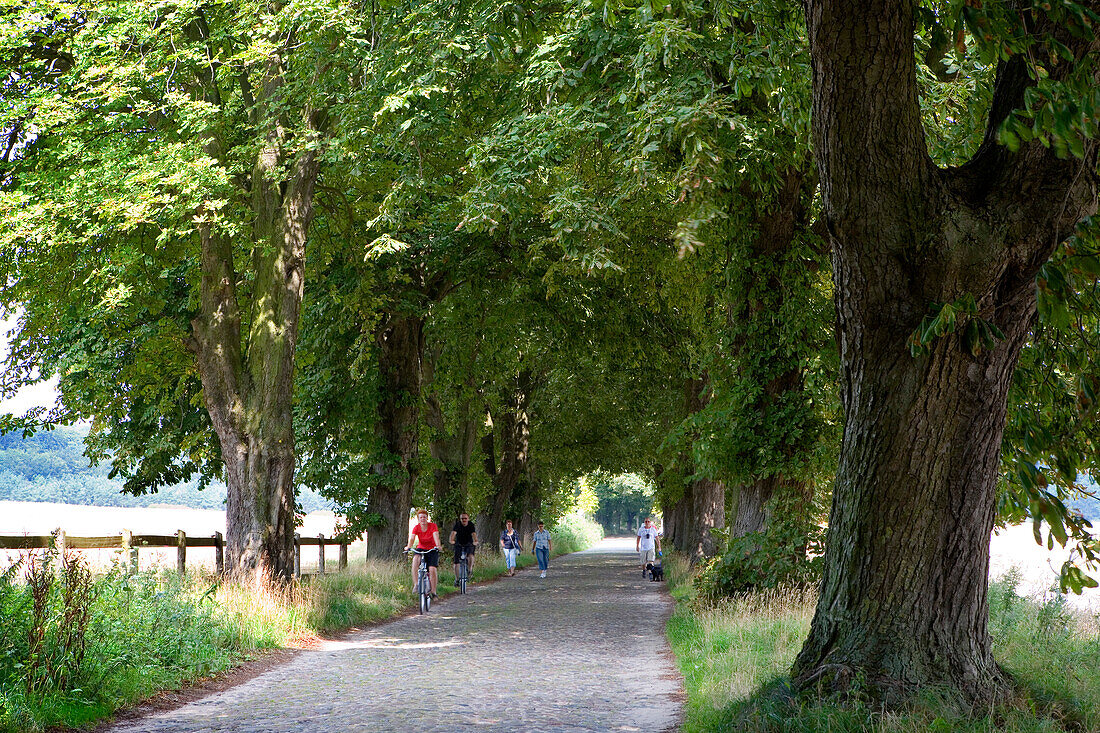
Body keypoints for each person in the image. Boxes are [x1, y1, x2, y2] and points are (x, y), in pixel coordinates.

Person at [404, 509, 441, 598]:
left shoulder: (433, 526)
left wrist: (438, 545)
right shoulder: (416, 528)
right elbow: (412, 538)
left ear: (427, 518)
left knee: (432, 569)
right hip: (421, 548)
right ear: (418, 519)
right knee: (415, 560)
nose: (422, 519)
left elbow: (436, 536)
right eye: (420, 517)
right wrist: (408, 546)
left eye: (424, 517)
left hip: (432, 549)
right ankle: (416, 584)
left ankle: (433, 591)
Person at [449, 512, 478, 585]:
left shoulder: (471, 525)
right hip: (459, 543)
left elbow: (473, 534)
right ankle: (457, 579)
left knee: (470, 555)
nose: (464, 520)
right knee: (456, 562)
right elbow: (453, 533)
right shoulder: (457, 524)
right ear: (460, 519)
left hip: (469, 543)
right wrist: (451, 540)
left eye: (465, 518)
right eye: (462, 518)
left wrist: (475, 541)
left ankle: (469, 570)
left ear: (468, 519)